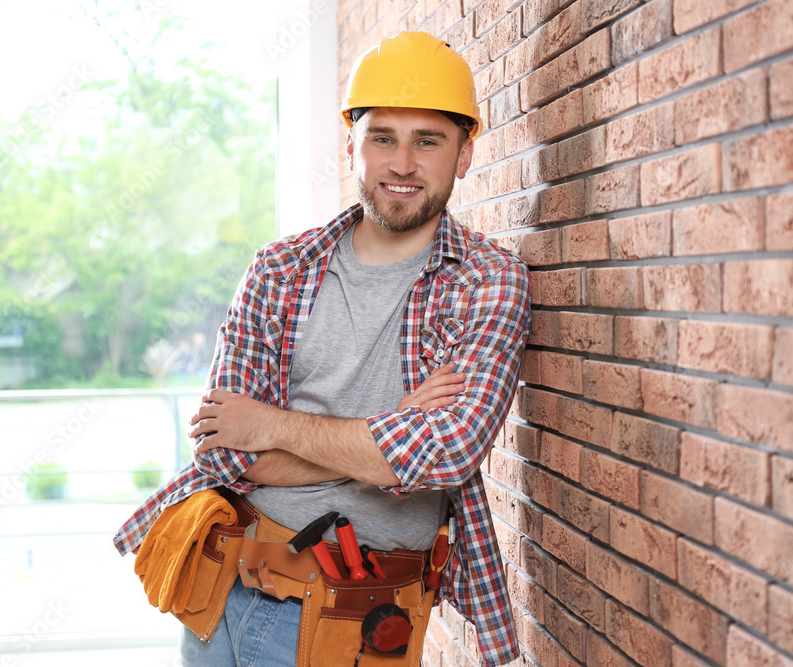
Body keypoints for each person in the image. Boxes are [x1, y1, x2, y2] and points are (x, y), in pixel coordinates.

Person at [114, 30, 530, 667]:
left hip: (358, 619)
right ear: (351, 145)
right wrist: (396, 426)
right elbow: (227, 457)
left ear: (465, 153)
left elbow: (446, 454)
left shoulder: (489, 281)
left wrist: (273, 427)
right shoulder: (278, 270)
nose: (402, 163)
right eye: (382, 137)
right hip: (219, 590)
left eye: (429, 140)